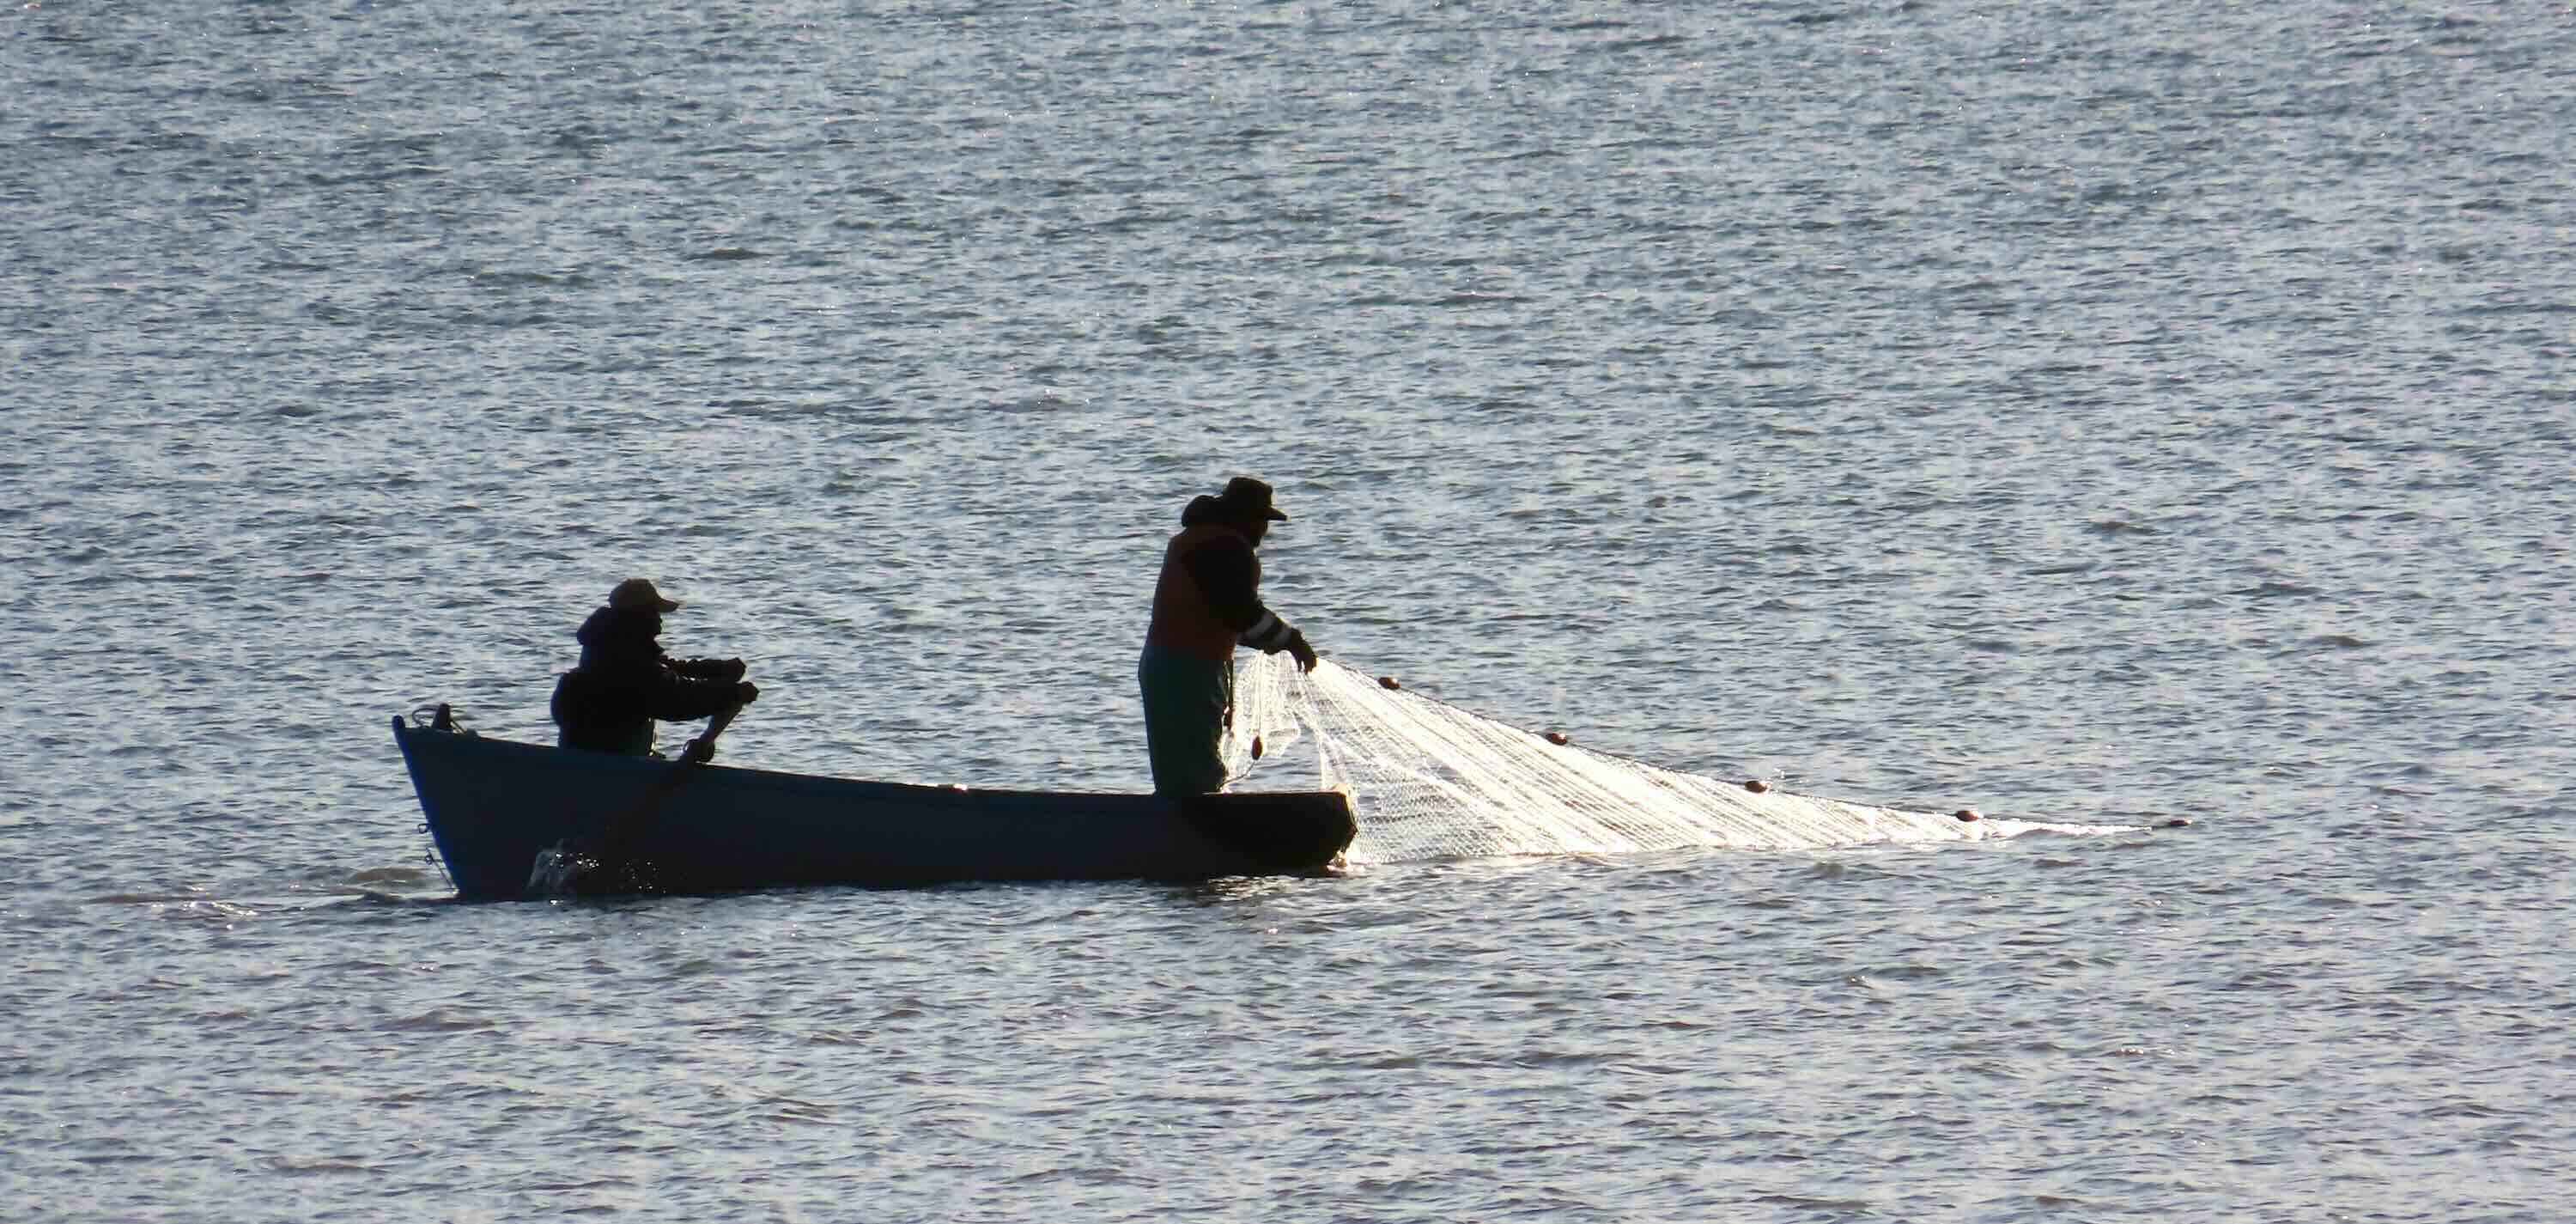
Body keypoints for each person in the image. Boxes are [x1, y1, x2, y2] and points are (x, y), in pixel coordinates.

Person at [1139, 477, 1319, 795]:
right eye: (1260, 520)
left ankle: (1184, 827)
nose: (1264, 531)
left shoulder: (1200, 540)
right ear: (1241, 517)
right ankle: (1194, 833)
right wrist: (1291, 641)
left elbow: (1228, 617)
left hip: (1179, 665)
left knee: (1185, 766)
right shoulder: (1222, 547)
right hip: (1185, 669)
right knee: (1192, 774)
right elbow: (1242, 613)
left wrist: (1279, 640)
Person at [550, 578, 758, 760]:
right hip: (611, 767)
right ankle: (701, 747)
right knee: (732, 696)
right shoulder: (626, 661)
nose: (660, 621)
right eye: (655, 612)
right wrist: (733, 693)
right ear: (638, 615)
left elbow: (668, 668)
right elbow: (676, 700)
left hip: (588, 759)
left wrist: (718, 669)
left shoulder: (603, 646)